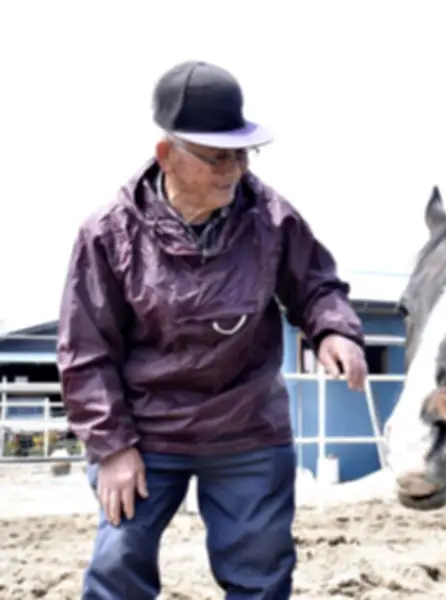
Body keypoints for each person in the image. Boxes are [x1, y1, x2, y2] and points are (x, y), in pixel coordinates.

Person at [56, 60, 368, 600]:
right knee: (118, 565)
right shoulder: (107, 234)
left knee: (262, 574)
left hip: (247, 425)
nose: (236, 168)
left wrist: (334, 332)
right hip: (146, 430)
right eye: (218, 156)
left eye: (243, 152)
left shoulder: (273, 219)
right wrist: (112, 448)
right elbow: (85, 351)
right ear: (166, 155)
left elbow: (317, 286)